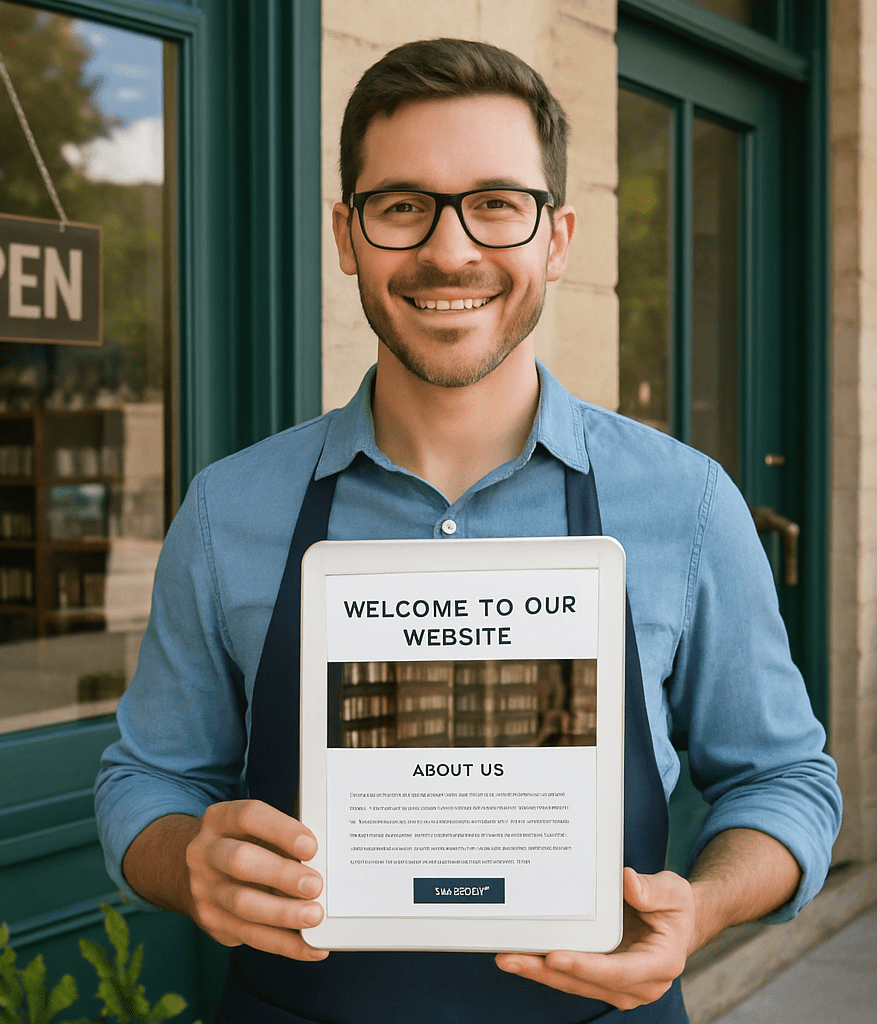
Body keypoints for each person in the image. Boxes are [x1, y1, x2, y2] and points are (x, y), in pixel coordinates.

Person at [95, 38, 841, 1023]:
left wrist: (699, 909)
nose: (450, 250)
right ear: (346, 235)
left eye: (495, 203)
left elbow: (785, 777)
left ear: (558, 238)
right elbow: (148, 772)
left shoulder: (687, 503)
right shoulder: (231, 508)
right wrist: (184, 858)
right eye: (402, 205)